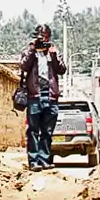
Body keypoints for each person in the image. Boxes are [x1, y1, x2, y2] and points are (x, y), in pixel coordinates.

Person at [20, 24, 67, 172]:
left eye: (46, 35)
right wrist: (32, 51)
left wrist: (53, 55)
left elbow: (62, 70)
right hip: (35, 95)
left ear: (49, 37)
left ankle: (44, 159)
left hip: (51, 95)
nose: (43, 38)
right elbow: (23, 67)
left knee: (47, 130)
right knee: (33, 130)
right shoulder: (29, 50)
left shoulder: (53, 51)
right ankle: (33, 161)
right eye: (40, 35)